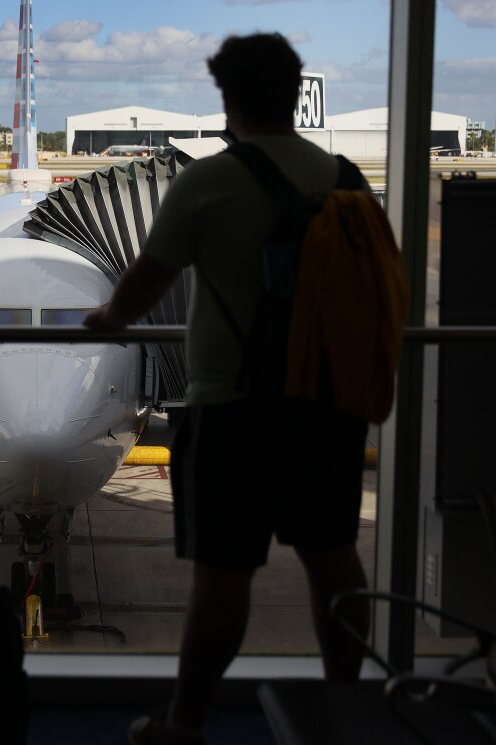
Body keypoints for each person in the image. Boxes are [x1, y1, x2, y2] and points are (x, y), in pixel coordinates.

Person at [84, 34, 372, 745]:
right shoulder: (345, 177)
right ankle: (346, 705)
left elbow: (149, 275)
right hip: (325, 406)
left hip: (233, 409)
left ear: (229, 99)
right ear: (294, 90)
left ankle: (185, 722)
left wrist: (108, 319)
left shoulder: (210, 181)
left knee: (223, 576)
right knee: (334, 560)